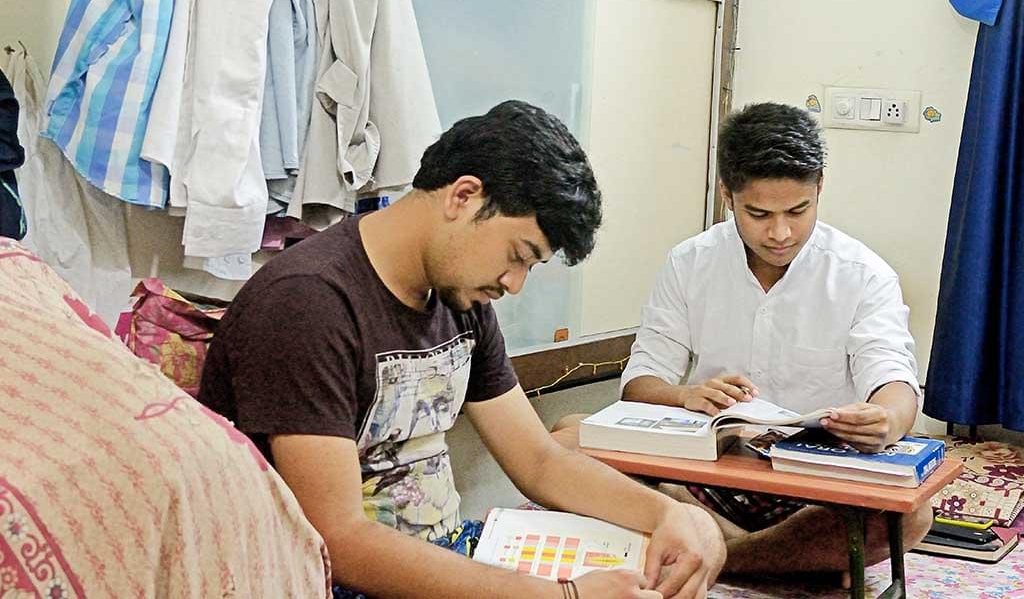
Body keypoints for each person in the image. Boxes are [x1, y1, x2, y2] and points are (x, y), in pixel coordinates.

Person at [198, 100, 725, 598]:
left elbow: (538, 460)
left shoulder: (458, 297)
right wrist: (561, 595)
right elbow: (338, 539)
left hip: (449, 549)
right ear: (463, 196)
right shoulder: (308, 304)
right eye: (519, 255)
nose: (515, 283)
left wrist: (666, 515)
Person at [557, 102, 932, 580]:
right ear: (727, 195)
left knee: (909, 514)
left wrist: (887, 420)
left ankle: (718, 556)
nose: (780, 233)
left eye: (798, 211)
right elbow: (640, 381)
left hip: (814, 490)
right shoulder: (690, 262)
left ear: (820, 188)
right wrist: (684, 395)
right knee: (567, 437)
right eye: (758, 213)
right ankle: (783, 560)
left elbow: (894, 377)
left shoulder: (863, 275)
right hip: (706, 474)